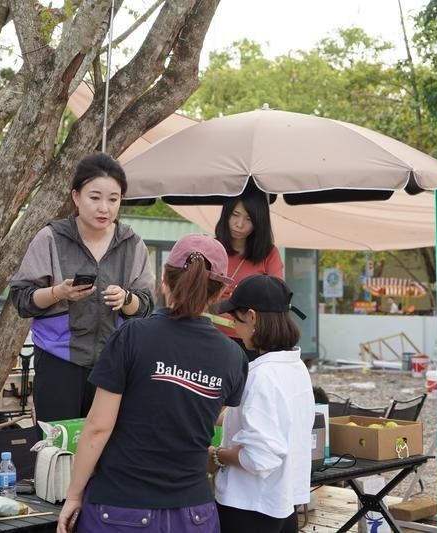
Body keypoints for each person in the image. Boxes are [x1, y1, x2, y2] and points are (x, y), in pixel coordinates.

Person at [57, 234, 249, 533]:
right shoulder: (233, 356)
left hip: (120, 507)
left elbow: (97, 427)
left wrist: (73, 495)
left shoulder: (132, 336)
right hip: (194, 513)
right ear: (219, 293)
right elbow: (209, 413)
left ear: (164, 279)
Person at [9, 152, 155, 422]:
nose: (104, 208)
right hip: (58, 361)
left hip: (114, 362)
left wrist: (126, 299)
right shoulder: (50, 238)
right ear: (76, 197)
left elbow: (145, 305)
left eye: (113, 199)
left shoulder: (132, 244)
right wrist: (58, 293)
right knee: (58, 441)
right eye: (95, 197)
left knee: (106, 441)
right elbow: (21, 299)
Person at [209, 274, 314, 533]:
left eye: (236, 319)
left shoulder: (261, 377)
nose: (234, 329)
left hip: (248, 507)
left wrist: (216, 456)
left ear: (252, 317)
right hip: (283, 505)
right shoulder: (296, 368)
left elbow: (260, 457)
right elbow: (267, 420)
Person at [213, 186, 283, 359]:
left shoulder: (269, 254)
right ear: (226, 215)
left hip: (251, 341)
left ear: (259, 223)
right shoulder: (211, 248)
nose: (239, 224)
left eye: (248, 219)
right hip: (212, 336)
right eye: (235, 215)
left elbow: (275, 298)